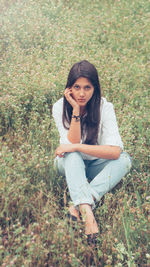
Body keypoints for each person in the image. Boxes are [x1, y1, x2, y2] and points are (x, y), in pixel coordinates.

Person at [52, 60, 132, 244]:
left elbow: (114, 152)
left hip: (96, 164)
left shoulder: (105, 108)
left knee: (125, 160)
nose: (81, 93)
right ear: (69, 88)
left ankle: (80, 205)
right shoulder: (59, 107)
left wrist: (77, 147)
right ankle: (88, 215)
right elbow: (70, 145)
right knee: (72, 155)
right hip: (68, 164)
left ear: (95, 88)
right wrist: (76, 109)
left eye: (87, 87)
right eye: (76, 87)